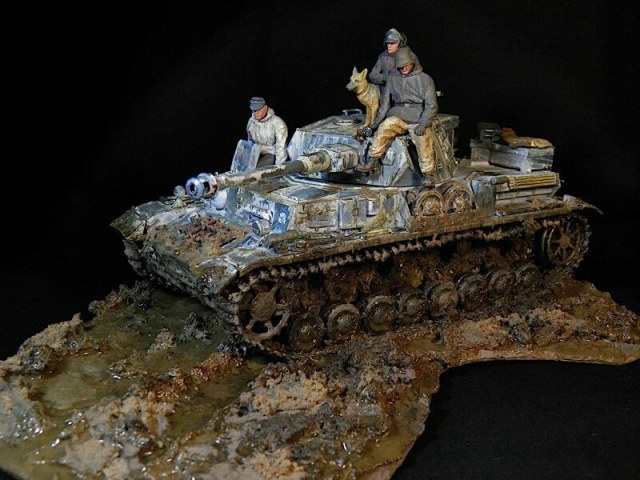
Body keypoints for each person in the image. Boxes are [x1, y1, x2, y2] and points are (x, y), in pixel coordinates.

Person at [359, 47, 438, 177]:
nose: (403, 68)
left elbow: (431, 106)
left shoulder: (425, 79)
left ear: (413, 62)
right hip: (397, 116)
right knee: (385, 127)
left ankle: (428, 174)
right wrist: (376, 123)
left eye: (406, 65)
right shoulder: (392, 78)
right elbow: (385, 104)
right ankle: (373, 160)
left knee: (423, 140)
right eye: (400, 66)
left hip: (417, 118)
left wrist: (423, 123)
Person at [246, 96, 289, 167]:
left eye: (258, 110)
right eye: (254, 110)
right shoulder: (251, 122)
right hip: (256, 153)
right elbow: (250, 142)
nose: (256, 113)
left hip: (271, 153)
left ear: (265, 108)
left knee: (258, 170)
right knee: (245, 169)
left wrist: (279, 167)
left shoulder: (277, 123)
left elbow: (281, 147)